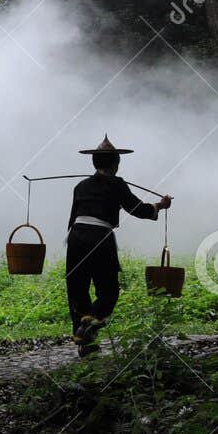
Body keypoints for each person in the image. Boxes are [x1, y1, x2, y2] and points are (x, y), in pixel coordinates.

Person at [66, 135, 172, 357]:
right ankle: (92, 322)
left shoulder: (80, 186)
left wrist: (73, 240)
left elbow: (73, 216)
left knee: (77, 287)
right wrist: (160, 205)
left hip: (76, 237)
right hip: (100, 238)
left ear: (94, 163)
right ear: (116, 164)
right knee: (108, 290)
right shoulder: (117, 183)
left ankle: (84, 338)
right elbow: (137, 209)